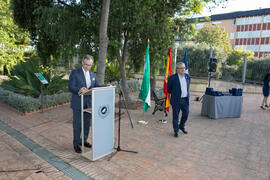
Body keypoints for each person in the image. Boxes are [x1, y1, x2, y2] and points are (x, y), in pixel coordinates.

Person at [68, 55, 100, 153]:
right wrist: (79, 89)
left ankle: (84, 140)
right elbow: (70, 87)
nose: (87, 67)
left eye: (90, 65)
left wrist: (106, 86)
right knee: (77, 125)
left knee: (86, 124)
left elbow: (96, 86)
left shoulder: (93, 75)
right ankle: (76, 144)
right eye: (86, 64)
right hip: (78, 103)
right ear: (82, 62)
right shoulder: (75, 73)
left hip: (88, 104)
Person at [167, 62, 190, 138]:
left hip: (185, 100)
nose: (183, 69)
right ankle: (176, 130)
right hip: (176, 100)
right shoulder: (172, 78)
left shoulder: (187, 77)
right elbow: (168, 89)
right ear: (177, 69)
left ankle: (181, 126)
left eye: (184, 68)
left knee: (186, 114)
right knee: (175, 116)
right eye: (181, 68)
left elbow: (187, 88)